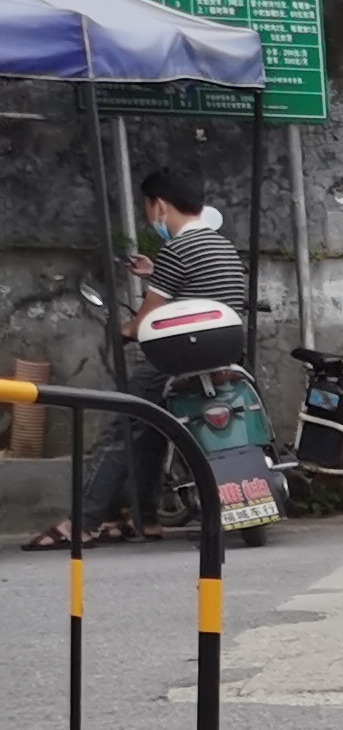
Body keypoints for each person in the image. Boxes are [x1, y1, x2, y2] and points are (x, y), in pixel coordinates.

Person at [39, 169, 249, 547]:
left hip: (178, 356)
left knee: (124, 428)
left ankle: (82, 523)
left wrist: (125, 329)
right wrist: (156, 272)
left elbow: (147, 320)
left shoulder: (176, 250)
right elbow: (201, 290)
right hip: (223, 358)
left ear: (160, 206)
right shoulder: (222, 247)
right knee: (152, 432)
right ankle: (145, 518)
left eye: (148, 208)